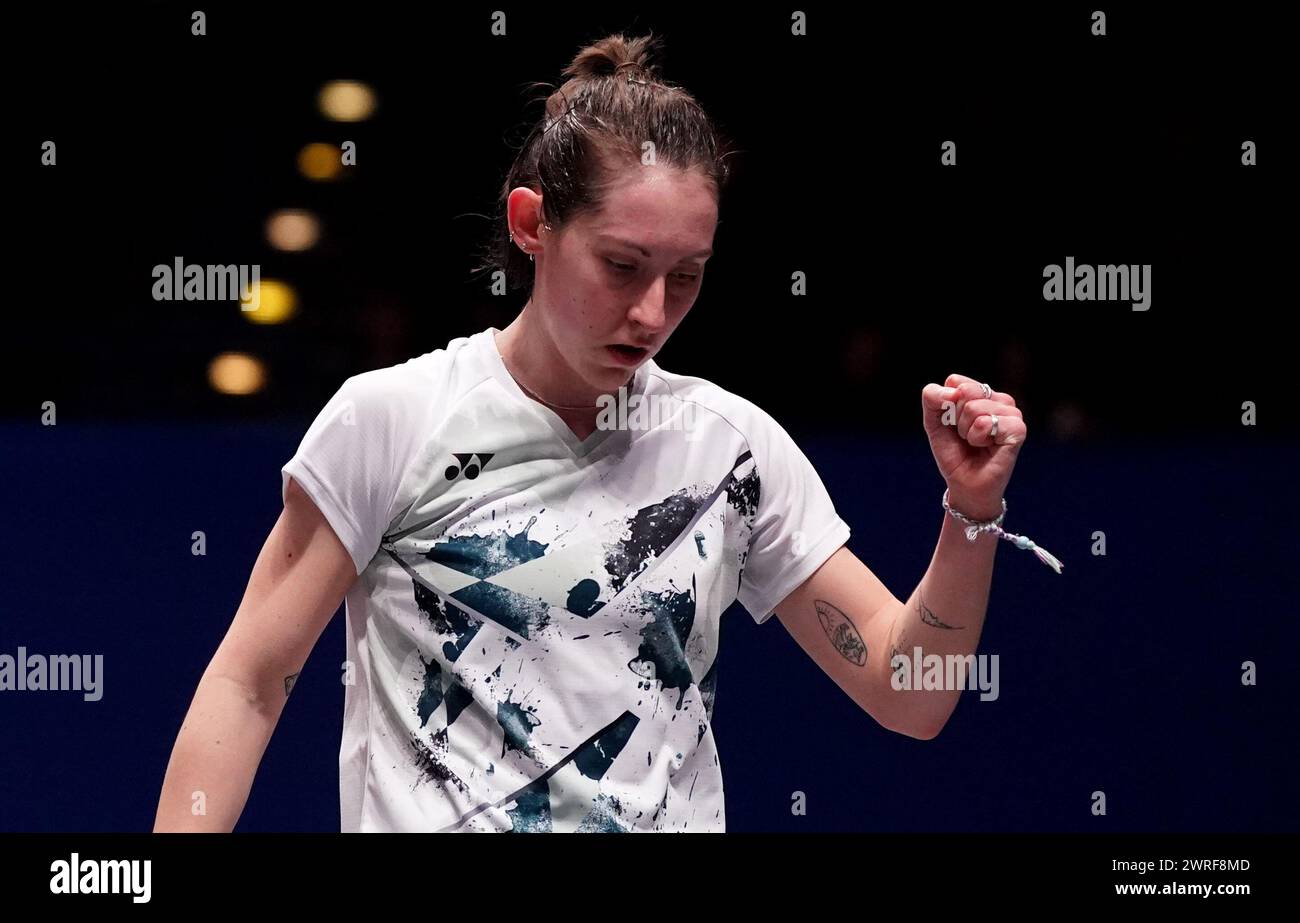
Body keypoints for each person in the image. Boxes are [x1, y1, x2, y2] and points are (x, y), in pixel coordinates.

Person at [154, 32, 1039, 834]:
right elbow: (248, 681)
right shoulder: (393, 420)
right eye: (621, 265)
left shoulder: (731, 450)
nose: (652, 311)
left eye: (686, 276)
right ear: (534, 225)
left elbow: (904, 692)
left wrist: (971, 509)